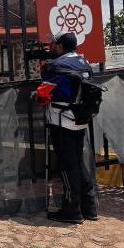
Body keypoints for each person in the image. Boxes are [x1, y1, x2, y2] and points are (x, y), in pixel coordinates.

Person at [34, 32, 98, 224]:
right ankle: (90, 208)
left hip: (63, 121)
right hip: (80, 119)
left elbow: (43, 94)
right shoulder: (84, 62)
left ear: (60, 46)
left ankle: (71, 211)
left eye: (53, 43)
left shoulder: (57, 66)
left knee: (67, 166)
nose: (50, 46)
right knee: (78, 162)